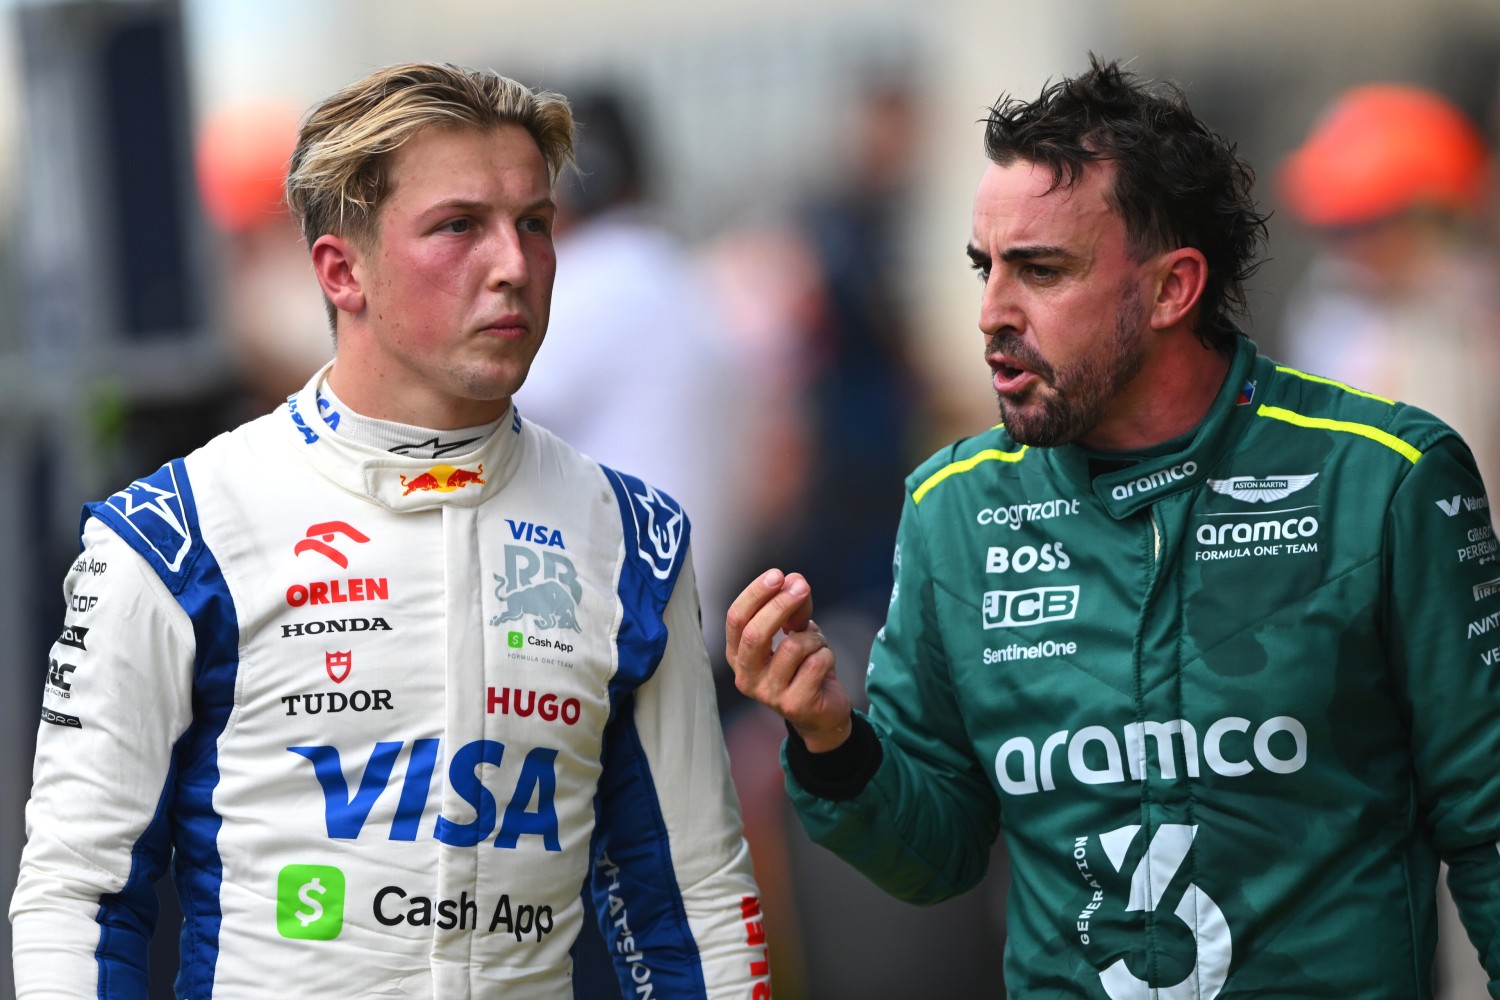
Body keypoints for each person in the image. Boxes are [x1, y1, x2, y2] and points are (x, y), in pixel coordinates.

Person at [727, 55, 1500, 998]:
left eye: (1040, 271)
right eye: (986, 267)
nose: (991, 315)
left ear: (1172, 289)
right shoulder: (954, 509)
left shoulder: (1385, 478)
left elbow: (1489, 821)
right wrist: (830, 740)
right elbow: (933, 859)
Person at [11, 62, 771, 999]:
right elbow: (79, 893)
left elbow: (690, 900)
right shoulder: (175, 534)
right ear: (342, 270)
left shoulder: (633, 537)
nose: (513, 265)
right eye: (459, 226)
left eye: (534, 223)